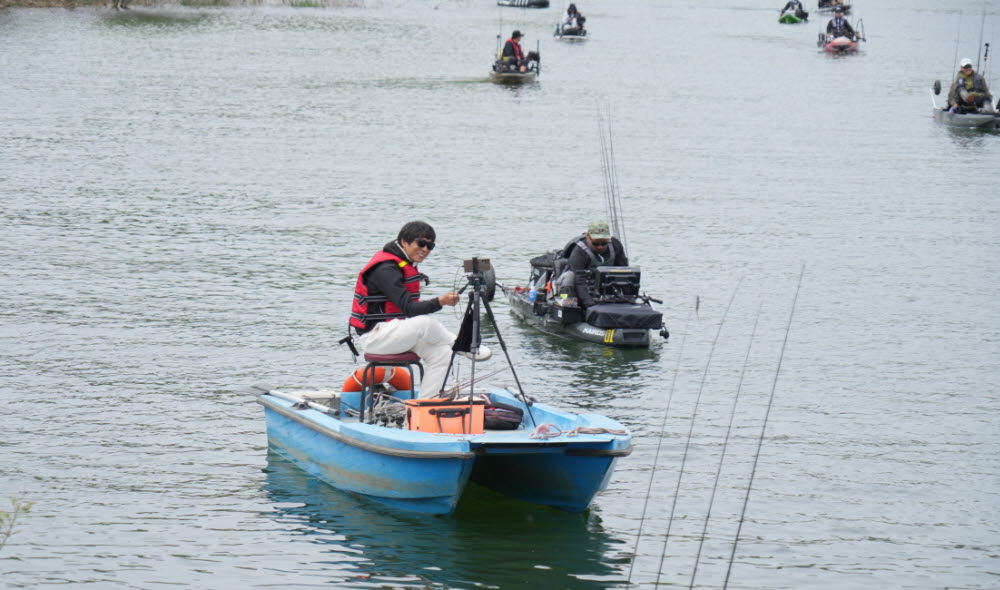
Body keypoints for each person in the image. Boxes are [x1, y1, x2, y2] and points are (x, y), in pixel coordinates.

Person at [349, 221, 490, 399]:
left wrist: (441, 301)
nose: (425, 249)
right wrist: (441, 301)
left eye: (430, 246)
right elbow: (409, 309)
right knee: (425, 323)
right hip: (375, 336)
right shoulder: (386, 269)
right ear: (404, 241)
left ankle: (425, 405)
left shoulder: (403, 264)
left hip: (394, 333)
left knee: (442, 353)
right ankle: (462, 345)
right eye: (421, 243)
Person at [556, 220, 628, 310]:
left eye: (604, 243)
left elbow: (624, 272)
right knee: (569, 277)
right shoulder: (578, 253)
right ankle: (571, 309)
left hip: (604, 287)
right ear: (588, 237)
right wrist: (590, 306)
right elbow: (579, 282)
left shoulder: (615, 245)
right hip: (582, 286)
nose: (600, 247)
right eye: (596, 243)